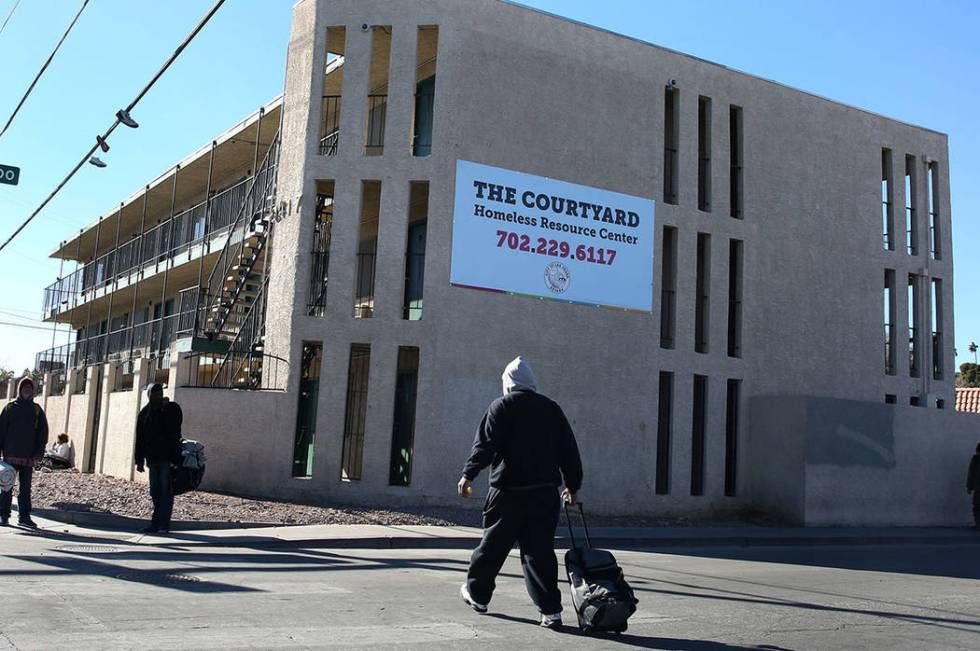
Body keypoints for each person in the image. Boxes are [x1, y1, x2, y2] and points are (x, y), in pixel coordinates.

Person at [457, 356, 583, 629]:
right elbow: (569, 452)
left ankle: (478, 594)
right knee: (539, 552)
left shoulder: (500, 407)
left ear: (508, 383)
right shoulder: (552, 409)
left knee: (492, 546)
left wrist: (469, 475)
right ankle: (550, 611)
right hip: (544, 494)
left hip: (507, 493)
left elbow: (485, 447)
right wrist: (573, 487)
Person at [0, 378, 49, 528]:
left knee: (25, 489)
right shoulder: (9, 408)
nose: (27, 390)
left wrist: (38, 453)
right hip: (10, 456)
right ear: (19, 390)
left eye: (30, 388)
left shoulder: (37, 410)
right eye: (24, 388)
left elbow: (43, 433)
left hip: (28, 457)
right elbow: (1, 431)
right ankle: (3, 516)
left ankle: (24, 517)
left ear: (33, 391)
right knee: (6, 487)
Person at [134, 384, 182, 534]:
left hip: (167, 458)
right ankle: (156, 523)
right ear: (149, 395)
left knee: (166, 492)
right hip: (152, 459)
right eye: (154, 393)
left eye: (159, 393)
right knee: (155, 492)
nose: (157, 396)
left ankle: (163, 525)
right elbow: (140, 439)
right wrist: (139, 460)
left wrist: (166, 408)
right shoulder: (145, 414)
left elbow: (175, 428)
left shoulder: (169, 408)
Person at [968, 442, 980, 531]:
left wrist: (969, 487)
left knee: (977, 506)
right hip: (977, 487)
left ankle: (978, 524)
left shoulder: (975, 460)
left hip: (978, 488)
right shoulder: (975, 460)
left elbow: (971, 474)